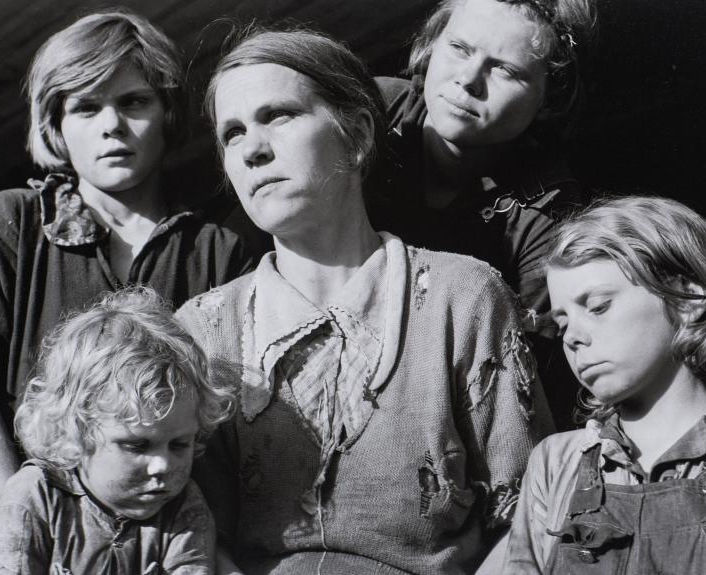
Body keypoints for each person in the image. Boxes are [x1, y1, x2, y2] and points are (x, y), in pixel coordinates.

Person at [175, 26, 554, 574]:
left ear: (355, 135)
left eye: (277, 116)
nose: (252, 149)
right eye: (232, 133)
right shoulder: (204, 330)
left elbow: (531, 517)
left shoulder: (463, 298)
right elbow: (191, 533)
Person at [0, 11, 252, 573]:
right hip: (13, 539)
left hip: (159, 551)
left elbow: (220, 430)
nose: (111, 123)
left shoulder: (217, 250)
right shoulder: (14, 222)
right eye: (86, 106)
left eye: (134, 102)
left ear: (168, 113)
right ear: (56, 125)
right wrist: (31, 513)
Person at [371, 0, 597, 430]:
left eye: (505, 70)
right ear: (430, 46)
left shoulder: (546, 214)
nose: (469, 81)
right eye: (459, 47)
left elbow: (517, 383)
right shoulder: (370, 111)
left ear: (550, 97)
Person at [503, 196, 706, 573]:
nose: (573, 338)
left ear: (689, 300)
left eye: (598, 306)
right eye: (563, 323)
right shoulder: (555, 464)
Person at [0, 287, 235, 574]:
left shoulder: (184, 507)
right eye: (137, 446)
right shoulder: (34, 497)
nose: (162, 465)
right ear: (76, 431)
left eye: (179, 444)